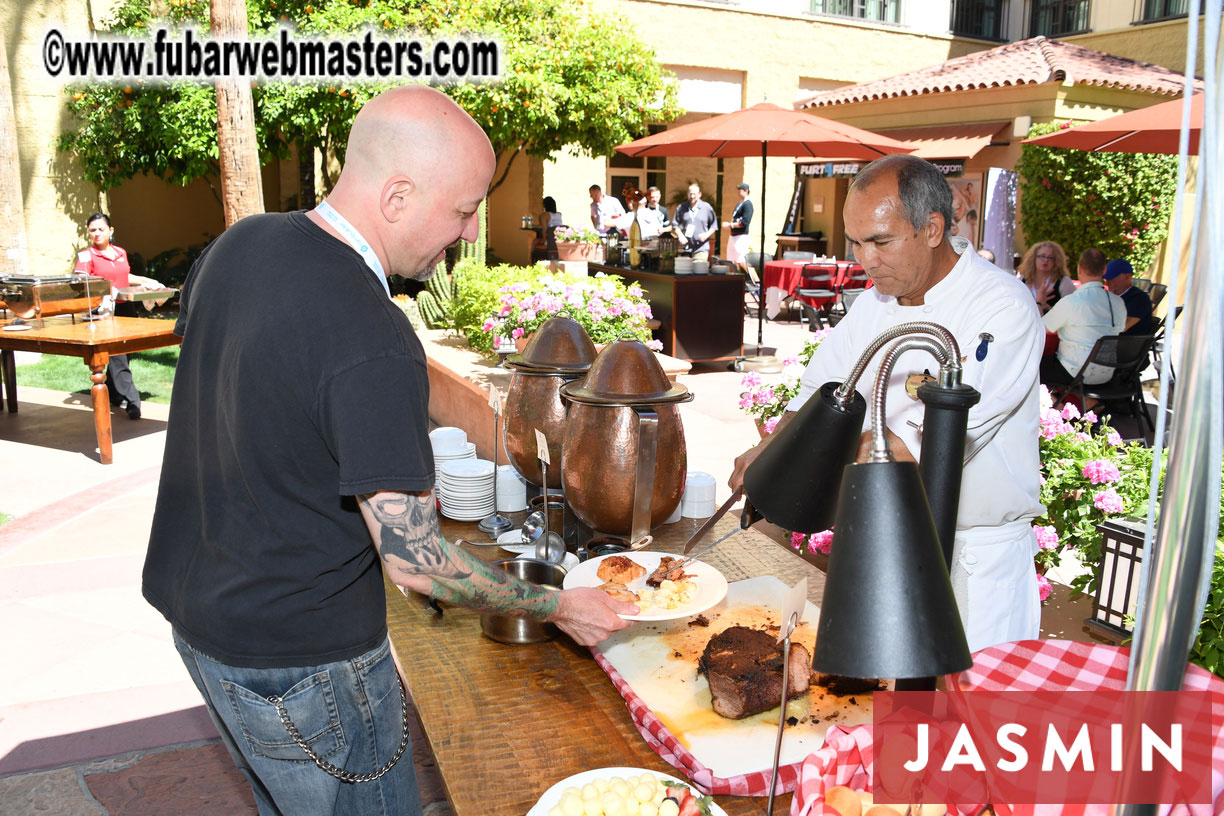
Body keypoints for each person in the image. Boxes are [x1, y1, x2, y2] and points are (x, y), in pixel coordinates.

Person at [143, 87, 636, 816]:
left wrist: (491, 427)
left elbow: (284, 370)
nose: (469, 234)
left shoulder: (242, 244)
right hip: (308, 668)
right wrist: (559, 604)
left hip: (203, 624)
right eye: (465, 209)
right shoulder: (370, 333)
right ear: (398, 194)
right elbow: (416, 563)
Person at [729, 154, 1045, 654]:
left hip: (974, 559)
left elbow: (917, 448)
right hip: (892, 540)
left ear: (933, 229)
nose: (864, 260)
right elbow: (822, 387)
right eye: (855, 242)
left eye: (880, 242)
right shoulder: (878, 302)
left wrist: (802, 460)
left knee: (972, 721)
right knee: (888, 713)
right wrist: (775, 446)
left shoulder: (1001, 307)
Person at [73, 212, 164, 420]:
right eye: (92, 230)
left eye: (101, 229)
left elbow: (125, 276)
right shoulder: (87, 256)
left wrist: (148, 281)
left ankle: (114, 393)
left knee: (126, 352)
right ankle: (133, 400)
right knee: (117, 358)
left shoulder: (120, 252)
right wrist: (105, 288)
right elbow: (82, 282)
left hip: (126, 307)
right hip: (106, 310)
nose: (97, 233)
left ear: (111, 230)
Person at [1041, 248, 1127, 388]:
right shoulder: (1118, 302)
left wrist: (1039, 303)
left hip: (1074, 371)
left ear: (1079, 269)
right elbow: (1119, 328)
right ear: (1104, 270)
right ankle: (1087, 401)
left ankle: (1058, 406)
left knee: (1032, 365)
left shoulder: (1071, 302)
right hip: (1107, 372)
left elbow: (1042, 328)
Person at [1017, 241, 1075, 315]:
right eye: (1042, 256)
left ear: (1056, 261)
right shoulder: (1022, 280)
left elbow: (1073, 311)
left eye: (1050, 258)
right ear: (1033, 258)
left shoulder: (1064, 282)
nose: (1045, 260)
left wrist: (1052, 310)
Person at [1103, 258, 1156, 336]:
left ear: (1127, 277)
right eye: (1106, 280)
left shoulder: (1139, 299)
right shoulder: (1115, 297)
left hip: (1124, 344)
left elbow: (1122, 328)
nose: (1107, 283)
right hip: (1111, 341)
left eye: (1111, 279)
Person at [673, 183, 717, 260]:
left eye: (694, 194)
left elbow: (714, 225)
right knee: (685, 270)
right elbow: (675, 224)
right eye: (690, 194)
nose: (692, 196)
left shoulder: (706, 208)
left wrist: (706, 235)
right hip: (685, 248)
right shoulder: (682, 207)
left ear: (699, 194)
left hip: (701, 247)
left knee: (698, 268)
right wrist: (680, 235)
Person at [722, 183, 753, 276]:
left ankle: (757, 283)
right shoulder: (739, 204)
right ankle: (735, 281)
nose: (738, 192)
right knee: (732, 261)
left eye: (741, 190)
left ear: (746, 191)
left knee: (743, 261)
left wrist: (730, 225)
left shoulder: (748, 204)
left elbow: (745, 222)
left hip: (741, 237)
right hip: (733, 236)